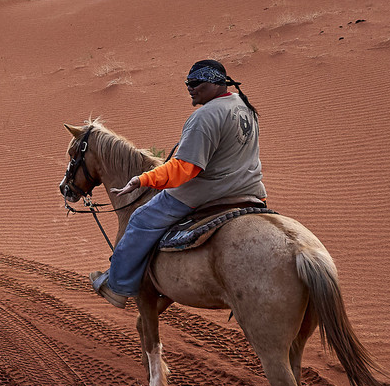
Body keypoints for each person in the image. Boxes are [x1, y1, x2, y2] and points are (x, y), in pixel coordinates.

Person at [91, 59, 265, 307]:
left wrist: (142, 179)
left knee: (140, 219)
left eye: (196, 83)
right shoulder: (244, 106)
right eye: (187, 83)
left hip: (205, 192)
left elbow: (184, 169)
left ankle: (117, 287)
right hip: (250, 191)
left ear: (215, 82)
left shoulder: (205, 116)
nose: (190, 88)